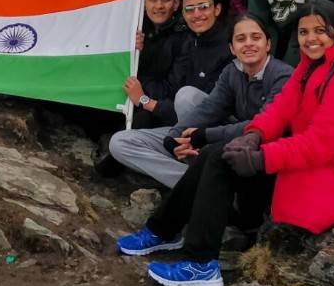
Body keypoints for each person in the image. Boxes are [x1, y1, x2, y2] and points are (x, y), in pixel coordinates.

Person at [120, 0, 334, 286]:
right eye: (303, 32)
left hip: (330, 181)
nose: (310, 39)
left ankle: (201, 262)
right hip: (303, 170)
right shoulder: (312, 67)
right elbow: (280, 111)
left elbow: (317, 145)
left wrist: (260, 158)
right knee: (214, 153)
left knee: (221, 160)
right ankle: (164, 230)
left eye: (319, 31)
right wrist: (253, 135)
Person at [111, 13, 292, 188]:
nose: (249, 44)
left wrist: (204, 135)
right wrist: (172, 139)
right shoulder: (232, 71)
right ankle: (197, 183)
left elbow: (261, 126)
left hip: (252, 148)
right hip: (209, 139)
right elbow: (209, 108)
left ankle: (203, 186)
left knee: (186, 98)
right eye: (241, 39)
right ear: (232, 48)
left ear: (268, 44)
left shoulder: (282, 76)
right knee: (120, 143)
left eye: (256, 37)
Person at [125, 0, 232, 129]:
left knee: (185, 96)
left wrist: (144, 101)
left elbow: (197, 107)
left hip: (214, 128)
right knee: (120, 141)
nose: (197, 15)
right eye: (189, 9)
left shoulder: (231, 46)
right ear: (182, 13)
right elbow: (170, 89)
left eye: (203, 7)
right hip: (176, 123)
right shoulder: (187, 41)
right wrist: (140, 53)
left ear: (217, 9)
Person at [121, 0, 186, 133]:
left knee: (142, 119)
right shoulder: (136, 29)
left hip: (163, 113)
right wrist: (135, 52)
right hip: (134, 100)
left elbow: (172, 89)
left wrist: (141, 93)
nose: (159, 6)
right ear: (143, 3)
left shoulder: (184, 38)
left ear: (176, 3)